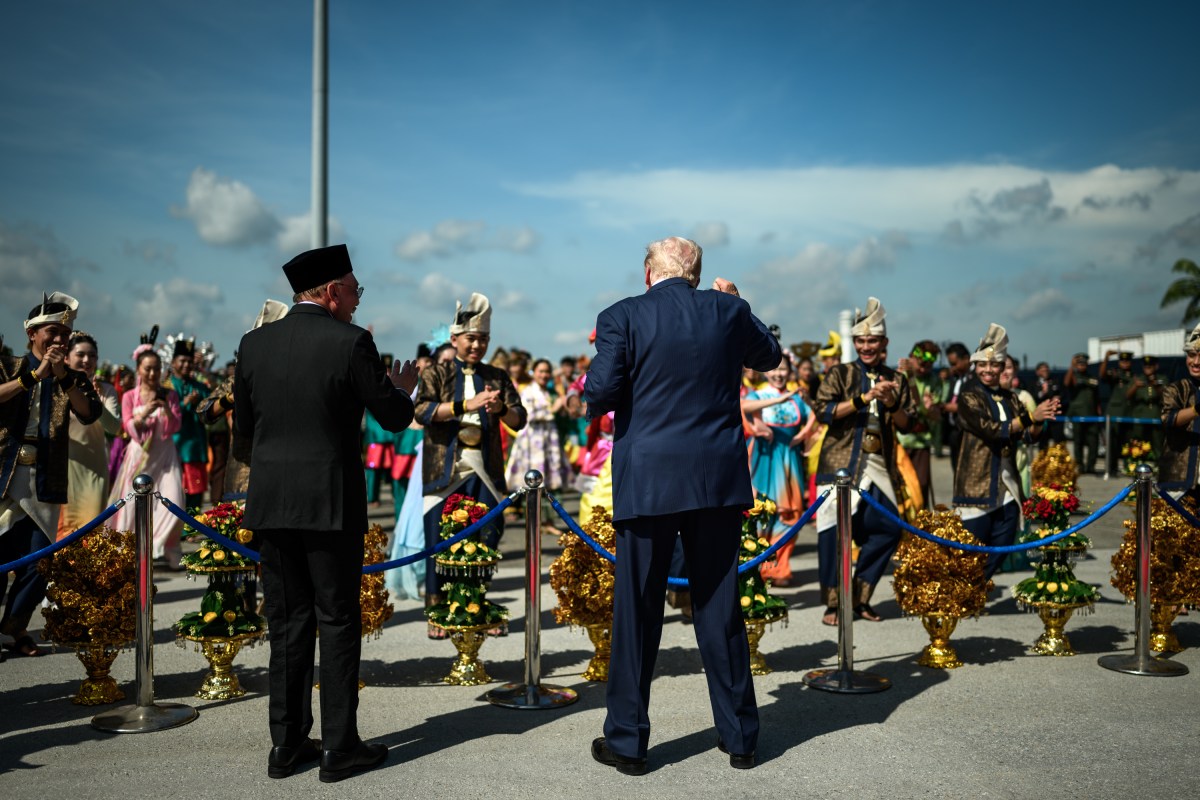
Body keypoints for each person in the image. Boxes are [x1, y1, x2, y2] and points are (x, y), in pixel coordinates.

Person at [586, 236, 781, 774]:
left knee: (637, 614)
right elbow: (770, 357)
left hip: (648, 480)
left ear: (649, 272)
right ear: (696, 273)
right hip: (714, 479)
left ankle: (627, 741)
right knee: (720, 609)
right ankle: (740, 735)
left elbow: (598, 394)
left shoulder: (622, 315)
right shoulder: (728, 310)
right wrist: (740, 305)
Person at [234, 244, 417, 782]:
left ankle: (286, 746)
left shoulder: (253, 343)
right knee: (337, 621)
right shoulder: (352, 341)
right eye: (356, 290)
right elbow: (391, 416)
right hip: (330, 503)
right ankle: (340, 747)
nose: (359, 301)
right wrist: (402, 389)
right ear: (333, 292)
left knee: (288, 624)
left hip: (272, 501)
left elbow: (245, 427)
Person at [414, 293, 526, 628]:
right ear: (455, 339)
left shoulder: (497, 376)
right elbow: (422, 411)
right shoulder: (436, 373)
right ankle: (438, 611)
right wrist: (467, 405)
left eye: (483, 340)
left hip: (485, 469)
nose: (477, 346)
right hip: (445, 470)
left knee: (486, 537)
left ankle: (477, 604)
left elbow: (520, 418)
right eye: (471, 339)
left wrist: (501, 409)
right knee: (440, 540)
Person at [1, 293, 102, 658]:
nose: (59, 340)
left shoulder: (72, 377)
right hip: (4, 471)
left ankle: (14, 628)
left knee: (41, 560)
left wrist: (62, 377)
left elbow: (89, 413)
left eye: (65, 334)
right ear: (32, 333)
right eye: (52, 332)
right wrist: (33, 376)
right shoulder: (9, 364)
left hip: (45, 476)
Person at [811, 297, 918, 626]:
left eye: (873, 340)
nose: (867, 346)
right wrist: (863, 398)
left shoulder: (898, 379)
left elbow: (911, 424)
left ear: (884, 343)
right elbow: (824, 412)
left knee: (888, 529)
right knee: (832, 532)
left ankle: (859, 597)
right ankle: (833, 604)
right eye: (861, 340)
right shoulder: (840, 373)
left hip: (879, 464)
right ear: (854, 342)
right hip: (840, 463)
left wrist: (889, 404)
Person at [954, 326, 1057, 579]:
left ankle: (976, 585)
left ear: (1003, 368)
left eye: (994, 365)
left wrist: (1041, 419)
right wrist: (1030, 416)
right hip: (976, 482)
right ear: (975, 367)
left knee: (1006, 537)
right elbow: (991, 429)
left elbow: (1026, 435)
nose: (988, 370)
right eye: (982, 366)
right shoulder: (969, 397)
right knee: (972, 547)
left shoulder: (1011, 398)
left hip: (1007, 482)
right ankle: (965, 589)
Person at [108, 346, 186, 568]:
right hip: (140, 456)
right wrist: (145, 412)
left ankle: (161, 545)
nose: (153, 374)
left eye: (157, 369)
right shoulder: (130, 397)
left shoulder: (169, 394)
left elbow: (175, 426)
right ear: (139, 370)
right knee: (133, 504)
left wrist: (167, 411)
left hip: (165, 455)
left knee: (174, 501)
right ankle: (130, 547)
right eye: (148, 369)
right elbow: (128, 427)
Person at [741, 357, 816, 586]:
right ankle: (760, 568)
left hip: (788, 460)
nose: (779, 374)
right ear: (765, 372)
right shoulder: (759, 394)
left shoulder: (797, 398)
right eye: (774, 369)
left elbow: (815, 414)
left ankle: (781, 568)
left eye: (783, 369)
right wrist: (759, 425)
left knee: (789, 515)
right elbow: (744, 406)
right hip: (764, 459)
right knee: (761, 514)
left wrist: (804, 435)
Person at [57, 331, 122, 540]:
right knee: (61, 528)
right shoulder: (55, 387)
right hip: (62, 465)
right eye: (81, 354)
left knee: (91, 527)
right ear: (66, 357)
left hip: (94, 468)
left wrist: (95, 400)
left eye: (92, 355)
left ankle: (87, 573)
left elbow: (115, 428)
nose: (87, 360)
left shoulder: (106, 390)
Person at [896, 340, 944, 508]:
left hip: (921, 440)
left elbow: (934, 414)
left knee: (921, 484)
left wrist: (930, 410)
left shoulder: (934, 381)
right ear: (912, 358)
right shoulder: (899, 376)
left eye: (929, 365)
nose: (924, 368)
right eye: (921, 364)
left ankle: (921, 527)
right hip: (900, 440)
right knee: (901, 485)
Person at [1159, 324, 1200, 498]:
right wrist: (1197, 409)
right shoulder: (1176, 389)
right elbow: (1168, 418)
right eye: (1191, 355)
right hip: (1179, 478)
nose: (1196, 362)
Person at [168, 338, 209, 511]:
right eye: (182, 360)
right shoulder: (167, 385)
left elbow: (210, 409)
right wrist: (185, 403)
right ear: (173, 362)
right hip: (175, 446)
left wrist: (199, 401)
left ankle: (191, 528)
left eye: (189, 361)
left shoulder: (200, 386)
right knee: (174, 490)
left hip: (195, 446)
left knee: (195, 489)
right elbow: (167, 415)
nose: (186, 364)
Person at [1063, 352, 1100, 474]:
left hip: (1092, 415)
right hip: (1077, 415)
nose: (1081, 366)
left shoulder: (1092, 378)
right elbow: (1067, 383)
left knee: (1093, 441)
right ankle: (1080, 465)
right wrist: (1071, 366)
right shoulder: (1074, 375)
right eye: (1079, 364)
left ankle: (1091, 466)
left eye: (1083, 364)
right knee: (1078, 441)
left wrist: (1099, 413)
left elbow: (1096, 397)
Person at [1128, 355, 1165, 458]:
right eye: (1145, 366)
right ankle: (1136, 467)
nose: (1147, 368)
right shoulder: (1137, 379)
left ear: (1156, 366)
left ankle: (1159, 467)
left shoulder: (1162, 379)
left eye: (1150, 366)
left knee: (1157, 443)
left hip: (1155, 416)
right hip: (1139, 416)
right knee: (1137, 445)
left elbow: (1165, 396)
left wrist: (1155, 385)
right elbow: (1127, 396)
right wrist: (1135, 386)